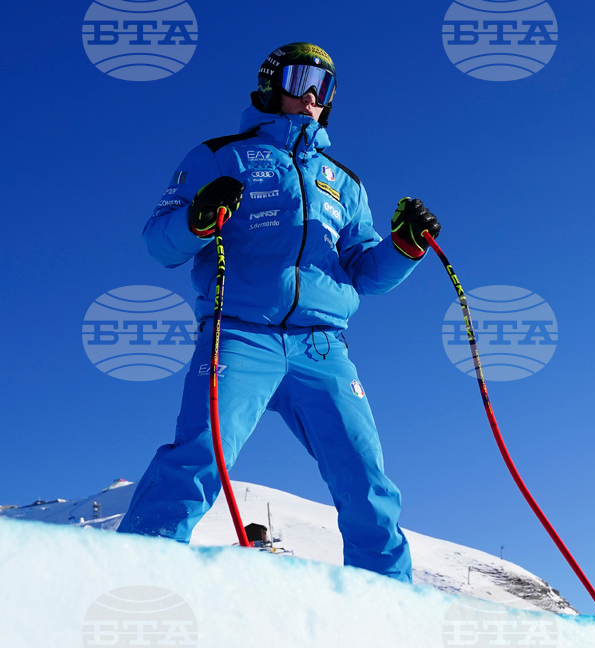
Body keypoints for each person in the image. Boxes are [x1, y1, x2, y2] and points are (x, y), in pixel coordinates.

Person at [117, 43, 439, 583]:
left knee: (366, 480)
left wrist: (404, 249)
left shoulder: (345, 182)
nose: (313, 95)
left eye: (325, 86)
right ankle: (134, 575)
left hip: (323, 346)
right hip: (241, 335)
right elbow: (159, 243)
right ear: (272, 84)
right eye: (301, 79)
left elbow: (362, 270)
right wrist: (198, 218)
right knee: (197, 457)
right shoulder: (221, 156)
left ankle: (389, 605)